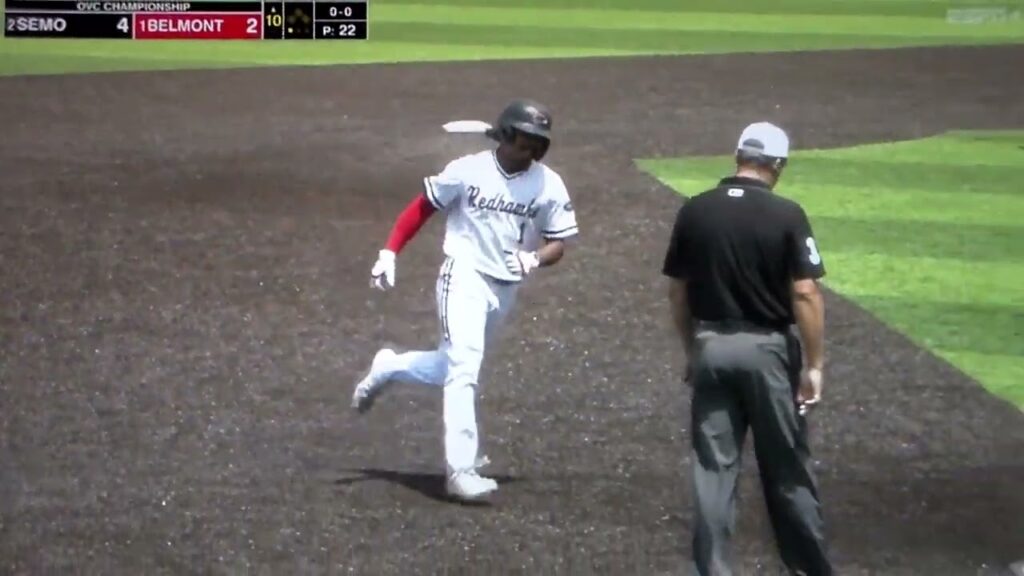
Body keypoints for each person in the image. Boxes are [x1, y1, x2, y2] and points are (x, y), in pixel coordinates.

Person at [350, 98, 579, 502]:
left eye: (538, 145)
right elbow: (422, 208)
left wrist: (534, 258)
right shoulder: (467, 171)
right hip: (464, 275)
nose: (531, 152)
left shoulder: (549, 185)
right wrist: (390, 251)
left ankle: (388, 367)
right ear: (505, 136)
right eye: (525, 142)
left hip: (504, 288)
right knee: (465, 369)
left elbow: (558, 242)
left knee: (449, 366)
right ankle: (461, 469)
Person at [661, 122, 834, 575]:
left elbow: (678, 293)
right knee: (787, 470)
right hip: (768, 353)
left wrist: (691, 351)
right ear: (777, 165)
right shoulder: (786, 214)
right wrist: (813, 365)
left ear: (737, 155)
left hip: (710, 346)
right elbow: (805, 294)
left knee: (713, 473)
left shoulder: (695, 211)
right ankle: (810, 570)